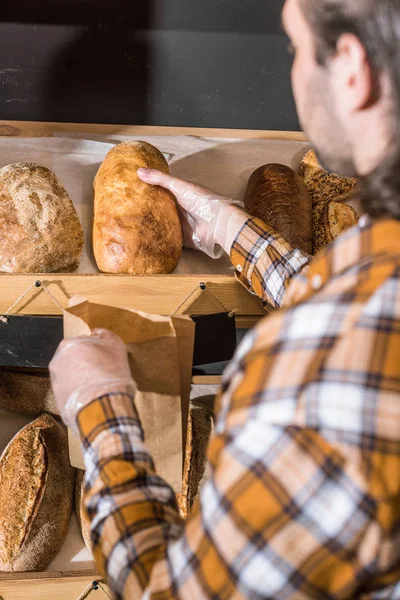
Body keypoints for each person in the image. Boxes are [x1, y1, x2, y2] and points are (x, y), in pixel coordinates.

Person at [49, 0, 400, 597]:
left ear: (351, 69)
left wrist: (101, 410)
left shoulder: (316, 382)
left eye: (294, 50)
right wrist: (231, 228)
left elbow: (175, 590)